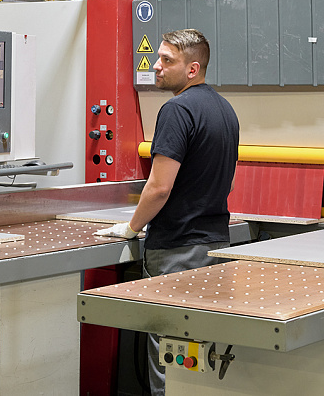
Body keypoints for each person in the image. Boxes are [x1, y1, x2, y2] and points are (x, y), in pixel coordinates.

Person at [95, 28, 239, 396]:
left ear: (192, 69)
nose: (156, 66)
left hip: (177, 251)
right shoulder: (225, 109)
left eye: (166, 60)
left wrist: (131, 227)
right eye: (158, 57)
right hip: (215, 248)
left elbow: (159, 187)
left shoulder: (177, 110)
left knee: (170, 360)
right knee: (199, 357)